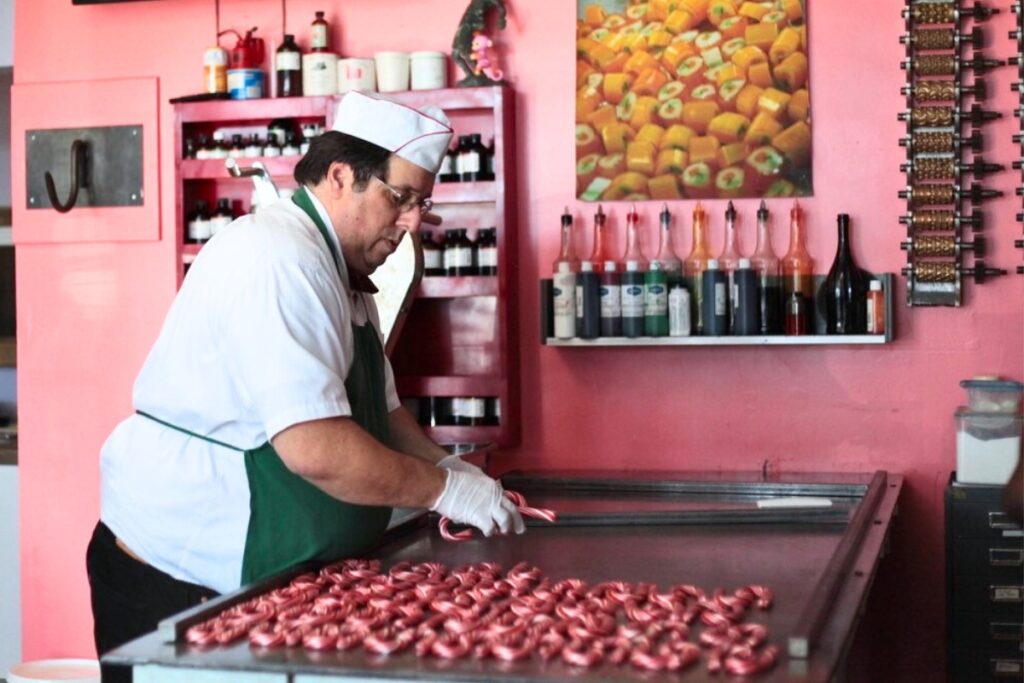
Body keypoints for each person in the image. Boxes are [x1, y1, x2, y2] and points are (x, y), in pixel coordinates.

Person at [86, 91, 525, 680]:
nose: (411, 223)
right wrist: (442, 491)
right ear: (341, 176)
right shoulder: (279, 258)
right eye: (399, 198)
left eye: (421, 204)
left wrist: (452, 468)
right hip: (182, 577)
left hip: (265, 577)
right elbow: (315, 450)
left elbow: (385, 415)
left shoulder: (346, 275)